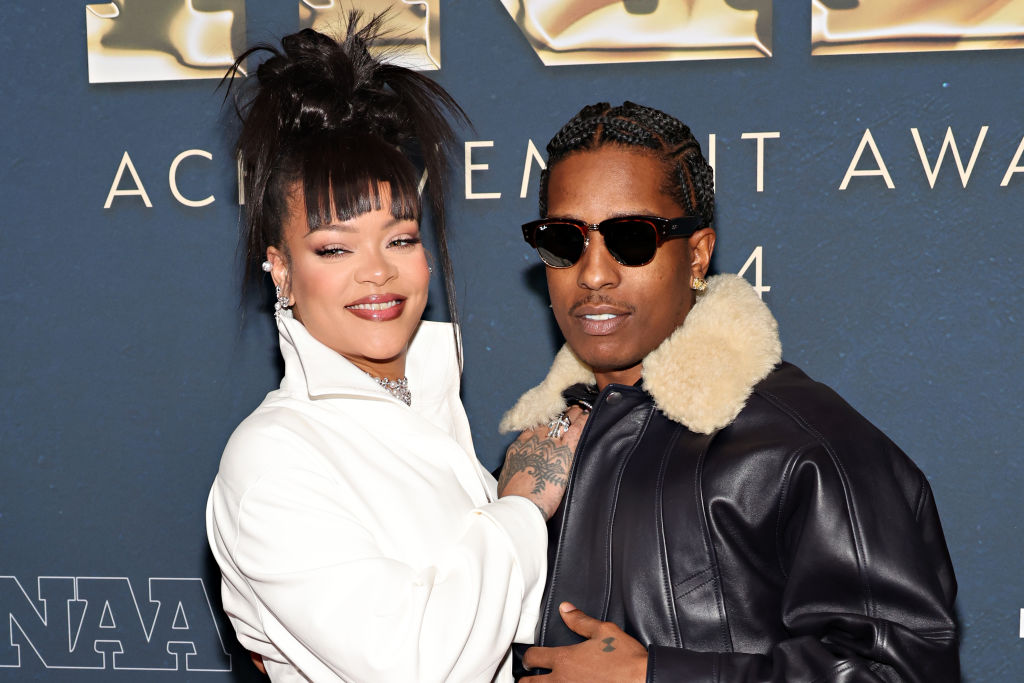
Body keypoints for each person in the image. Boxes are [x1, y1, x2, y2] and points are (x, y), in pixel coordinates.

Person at [500, 101, 959, 682]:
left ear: (697, 254)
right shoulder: (536, 451)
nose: (593, 274)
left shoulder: (806, 447)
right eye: (565, 241)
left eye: (632, 239)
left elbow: (899, 671)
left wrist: (657, 677)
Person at [205, 16, 584, 682]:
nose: (377, 272)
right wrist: (523, 504)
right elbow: (415, 664)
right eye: (334, 249)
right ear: (282, 270)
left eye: (400, 239)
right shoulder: (272, 457)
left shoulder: (430, 410)